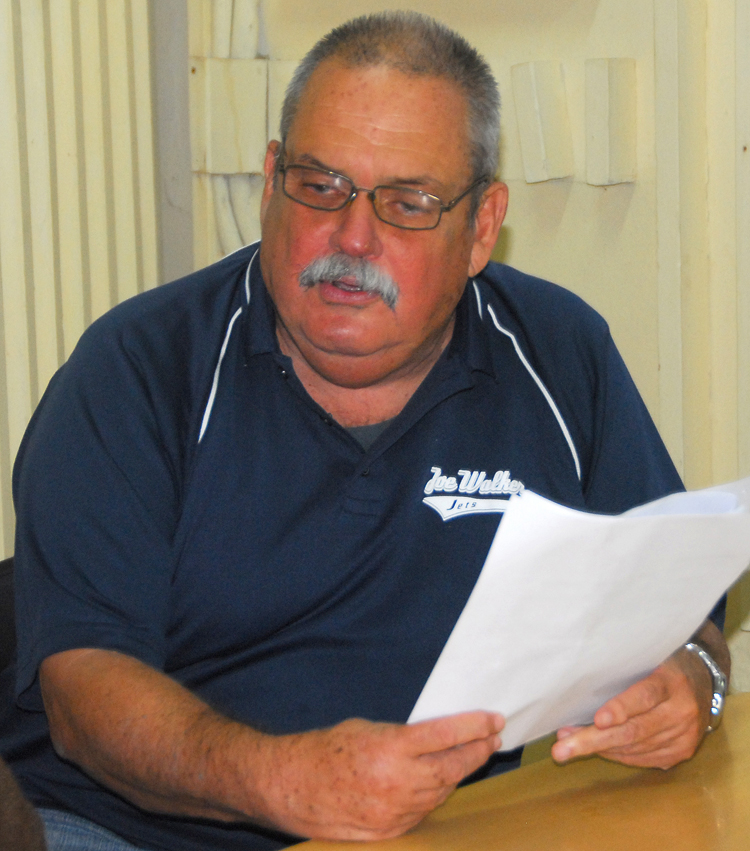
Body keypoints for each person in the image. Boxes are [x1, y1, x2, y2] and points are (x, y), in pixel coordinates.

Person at [0, 11, 729, 851]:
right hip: (132, 831)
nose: (353, 237)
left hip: (445, 825)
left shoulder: (560, 353)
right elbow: (82, 690)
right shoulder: (137, 367)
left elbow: (681, 614)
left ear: (482, 227)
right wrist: (288, 782)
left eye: (408, 203)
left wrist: (694, 684)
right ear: (272, 179)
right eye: (322, 186)